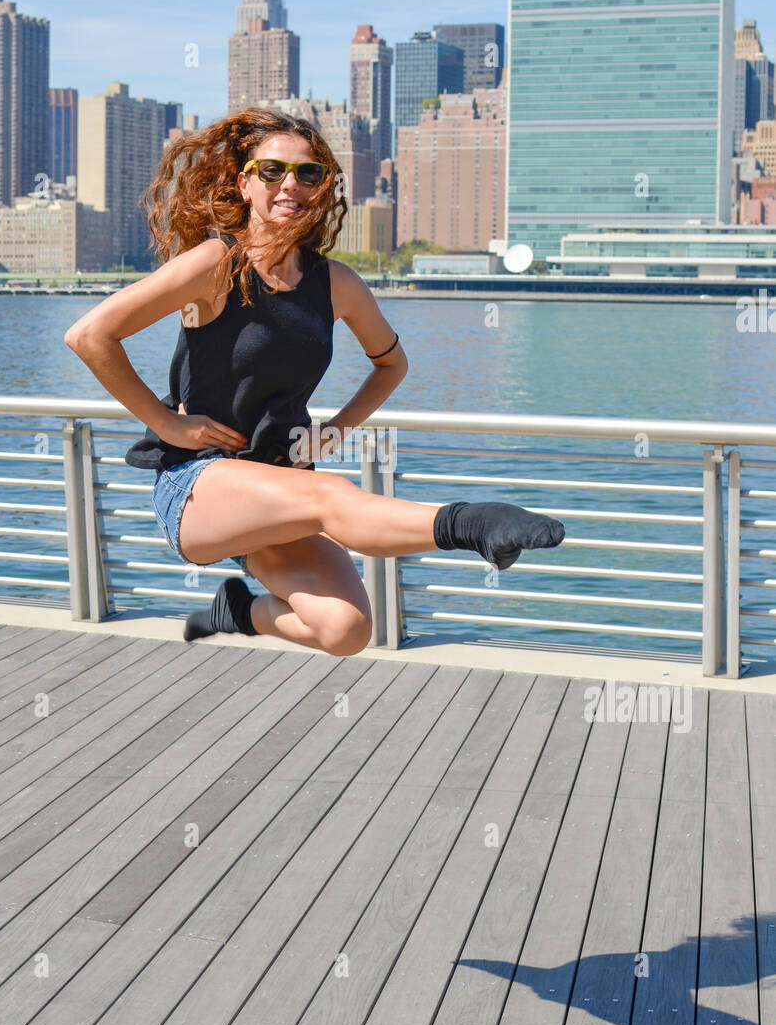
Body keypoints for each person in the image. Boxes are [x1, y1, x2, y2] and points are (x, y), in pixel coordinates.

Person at [64, 107, 565, 657]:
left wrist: (337, 431)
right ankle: (473, 525)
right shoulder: (216, 262)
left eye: (308, 174)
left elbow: (391, 364)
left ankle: (238, 612)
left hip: (281, 483)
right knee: (331, 494)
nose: (290, 186)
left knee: (346, 631)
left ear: (323, 189)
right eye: (272, 170)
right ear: (245, 182)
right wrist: (165, 423)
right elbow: (91, 335)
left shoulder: (335, 284)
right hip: (199, 483)